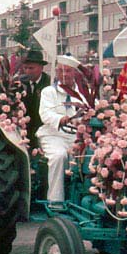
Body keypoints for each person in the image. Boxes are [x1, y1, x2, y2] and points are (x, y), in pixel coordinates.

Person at [37, 55, 87, 204]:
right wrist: (60, 119)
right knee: (59, 156)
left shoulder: (84, 93)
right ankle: (55, 201)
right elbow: (45, 114)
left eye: (68, 71)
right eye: (60, 71)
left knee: (88, 159)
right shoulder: (48, 92)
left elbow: (93, 109)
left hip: (76, 137)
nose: (64, 75)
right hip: (53, 135)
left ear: (75, 74)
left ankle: (80, 200)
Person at [20, 50, 51, 149]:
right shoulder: (19, 83)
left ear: (41, 68)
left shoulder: (49, 83)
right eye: (25, 68)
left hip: (43, 128)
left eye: (31, 68)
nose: (28, 71)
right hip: (23, 129)